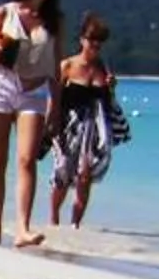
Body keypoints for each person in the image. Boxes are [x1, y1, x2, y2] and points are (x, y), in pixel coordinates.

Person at [0, 0, 64, 247]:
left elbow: (55, 67)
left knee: (27, 159)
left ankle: (23, 228)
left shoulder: (54, 21)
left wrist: (57, 105)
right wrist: (2, 50)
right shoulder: (4, 13)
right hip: (2, 86)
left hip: (34, 92)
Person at [45, 13, 122, 232]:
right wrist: (51, 122)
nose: (95, 45)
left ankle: (76, 224)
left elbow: (108, 103)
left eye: (99, 41)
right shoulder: (67, 65)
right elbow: (55, 96)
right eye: (91, 40)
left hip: (93, 127)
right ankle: (53, 219)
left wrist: (111, 87)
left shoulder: (104, 68)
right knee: (63, 171)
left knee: (85, 175)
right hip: (68, 124)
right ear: (82, 39)